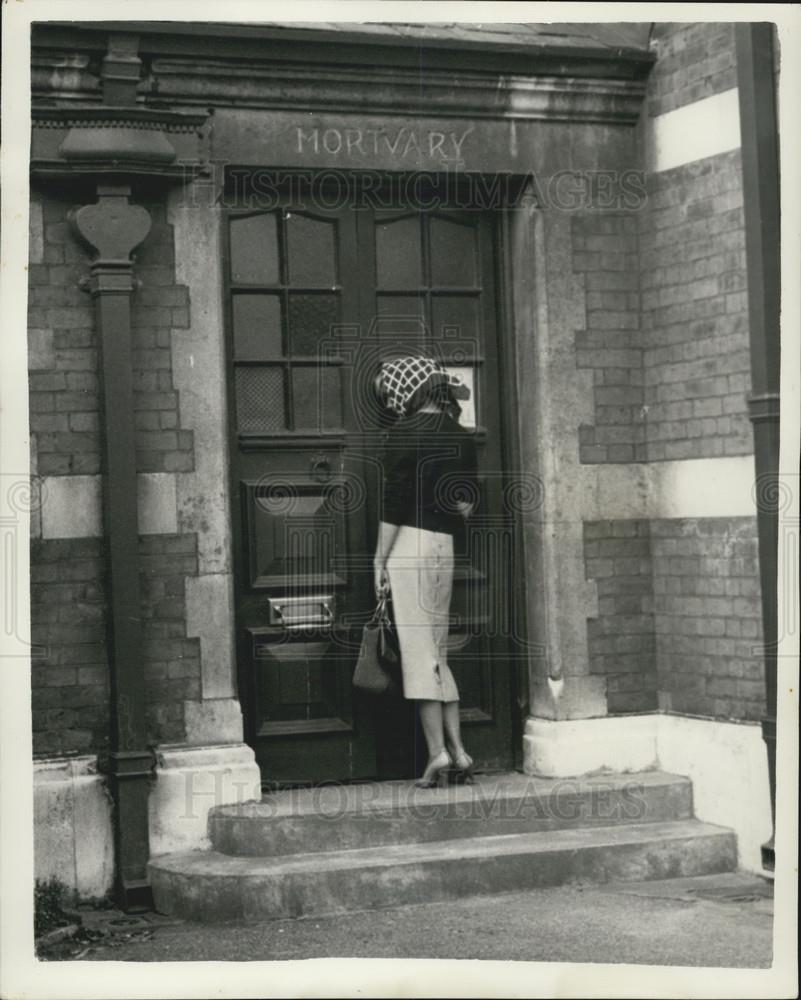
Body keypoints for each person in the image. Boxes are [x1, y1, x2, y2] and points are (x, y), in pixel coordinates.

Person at [373, 355, 479, 788]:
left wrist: (379, 559)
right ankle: (459, 751)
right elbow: (467, 502)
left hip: (410, 546)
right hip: (444, 545)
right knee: (437, 651)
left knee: (419, 653)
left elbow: (394, 502)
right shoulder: (461, 435)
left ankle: (436, 753)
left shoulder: (403, 433)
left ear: (407, 390)